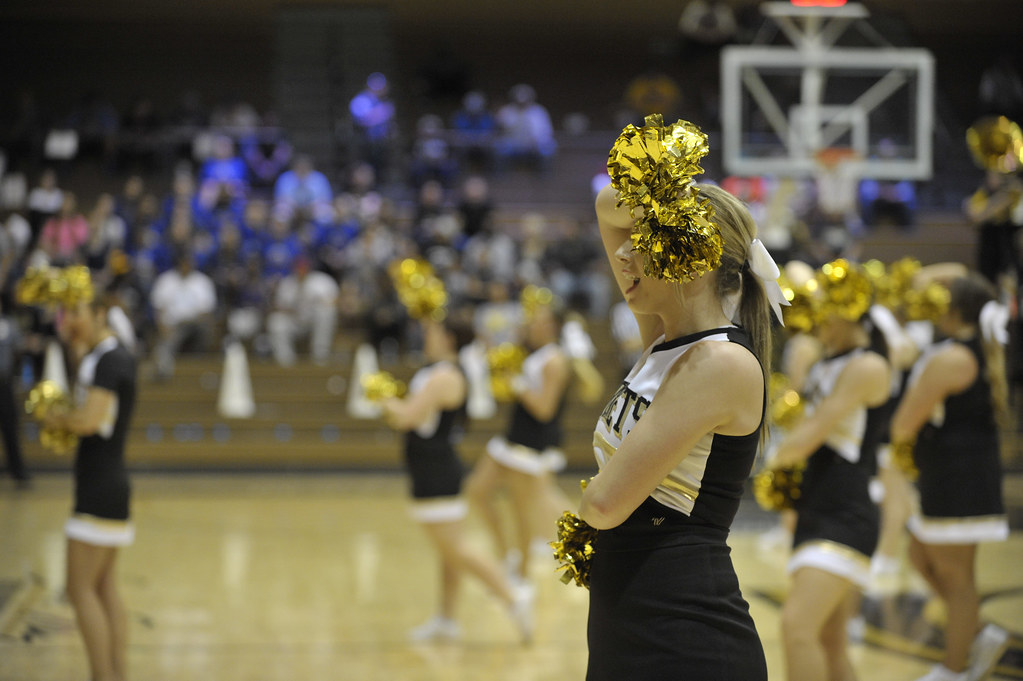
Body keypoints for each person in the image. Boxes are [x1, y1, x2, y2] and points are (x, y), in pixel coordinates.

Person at [579, 115, 779, 680]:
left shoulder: (719, 363)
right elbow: (604, 206)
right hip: (632, 618)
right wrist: (659, 195)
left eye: (641, 245)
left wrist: (673, 211)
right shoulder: (667, 340)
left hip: (687, 637)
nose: (621, 257)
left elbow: (603, 505)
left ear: (683, 257)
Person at [769, 259, 892, 681]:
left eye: (825, 307)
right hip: (815, 507)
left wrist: (769, 456)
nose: (815, 315)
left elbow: (811, 435)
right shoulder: (824, 360)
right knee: (829, 641)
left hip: (845, 513)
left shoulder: (868, 366)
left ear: (849, 308)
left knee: (796, 628)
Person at [379, 313, 533, 643]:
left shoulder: (446, 376)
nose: (426, 334)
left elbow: (408, 417)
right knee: (447, 550)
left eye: (433, 330)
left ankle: (513, 597)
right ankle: (447, 620)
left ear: (448, 338)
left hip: (436, 471)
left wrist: (381, 397)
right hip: (431, 468)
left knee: (456, 548)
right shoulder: (437, 373)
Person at [890, 273, 1011, 681]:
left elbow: (905, 422)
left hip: (959, 481)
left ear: (955, 309)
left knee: (957, 579)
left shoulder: (953, 358)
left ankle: (954, 669)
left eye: (940, 299)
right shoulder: (960, 348)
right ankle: (976, 632)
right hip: (950, 475)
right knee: (920, 557)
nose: (932, 301)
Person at [43, 291, 137, 681]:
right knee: (102, 587)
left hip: (99, 488)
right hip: (109, 484)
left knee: (80, 589)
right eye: (65, 313)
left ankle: (103, 675)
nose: (70, 320)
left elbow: (89, 420)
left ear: (101, 314)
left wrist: (54, 418)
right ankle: (115, 674)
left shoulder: (109, 360)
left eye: (77, 312)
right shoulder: (108, 357)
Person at [466, 299, 573, 586]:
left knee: (523, 511)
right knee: (477, 491)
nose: (530, 324)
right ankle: (507, 555)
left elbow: (544, 409)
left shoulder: (555, 360)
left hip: (529, 445)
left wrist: (516, 383)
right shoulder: (534, 353)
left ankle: (522, 576)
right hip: (511, 438)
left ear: (551, 326)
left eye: (537, 320)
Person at [149, 252, 217, 379]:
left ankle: (199, 365)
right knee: (166, 343)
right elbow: (158, 309)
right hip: (173, 324)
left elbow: (207, 311)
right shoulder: (166, 280)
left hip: (195, 322)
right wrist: (162, 326)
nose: (186, 265)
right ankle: (163, 370)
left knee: (205, 328)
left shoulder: (202, 281)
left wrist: (190, 320)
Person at [267, 255, 339, 366]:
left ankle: (320, 355)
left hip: (314, 320)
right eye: (298, 268)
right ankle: (285, 361)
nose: (301, 271)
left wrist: (318, 303)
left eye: (303, 268)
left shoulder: (321, 281)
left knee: (326, 312)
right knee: (276, 321)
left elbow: (334, 301)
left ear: (309, 268)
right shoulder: (287, 283)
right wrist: (292, 309)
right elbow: (278, 307)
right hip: (295, 320)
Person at [0, 299, 31, 486]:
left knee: (10, 427)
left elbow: (18, 349)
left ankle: (17, 470)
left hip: (4, 382)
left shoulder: (9, 324)